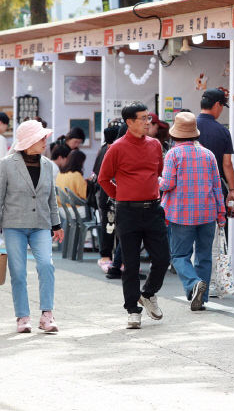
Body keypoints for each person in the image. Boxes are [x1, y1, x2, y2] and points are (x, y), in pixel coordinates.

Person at [0, 120, 65, 333]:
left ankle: (47, 315)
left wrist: (56, 225)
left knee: (46, 266)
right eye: (41, 138)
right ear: (29, 140)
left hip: (41, 224)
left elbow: (51, 198)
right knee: (18, 272)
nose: (45, 141)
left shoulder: (48, 165)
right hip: (14, 226)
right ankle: (23, 317)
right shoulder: (7, 163)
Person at [98, 102, 170, 330]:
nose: (148, 122)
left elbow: (157, 173)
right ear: (129, 122)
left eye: (149, 118)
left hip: (153, 209)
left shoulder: (155, 145)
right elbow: (103, 179)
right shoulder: (117, 148)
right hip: (127, 211)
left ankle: (148, 293)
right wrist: (120, 196)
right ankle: (132, 309)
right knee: (130, 264)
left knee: (162, 258)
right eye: (143, 118)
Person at [161, 112, 226, 311]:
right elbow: (217, 186)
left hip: (181, 214)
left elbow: (168, 184)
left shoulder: (173, 154)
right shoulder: (208, 154)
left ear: (175, 135)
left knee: (179, 256)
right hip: (207, 213)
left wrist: (156, 181)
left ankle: (193, 284)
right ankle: (201, 298)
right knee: (204, 255)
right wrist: (221, 213)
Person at [197, 88, 234, 219]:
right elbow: (227, 164)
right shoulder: (223, 131)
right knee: (217, 229)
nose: (221, 111)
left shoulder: (188, 127)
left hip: (190, 187)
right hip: (215, 188)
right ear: (217, 105)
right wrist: (232, 190)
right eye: (222, 106)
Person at [93, 125, 120, 272]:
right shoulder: (110, 151)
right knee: (110, 226)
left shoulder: (102, 149)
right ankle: (107, 257)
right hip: (110, 194)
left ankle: (108, 257)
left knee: (108, 225)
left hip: (104, 194)